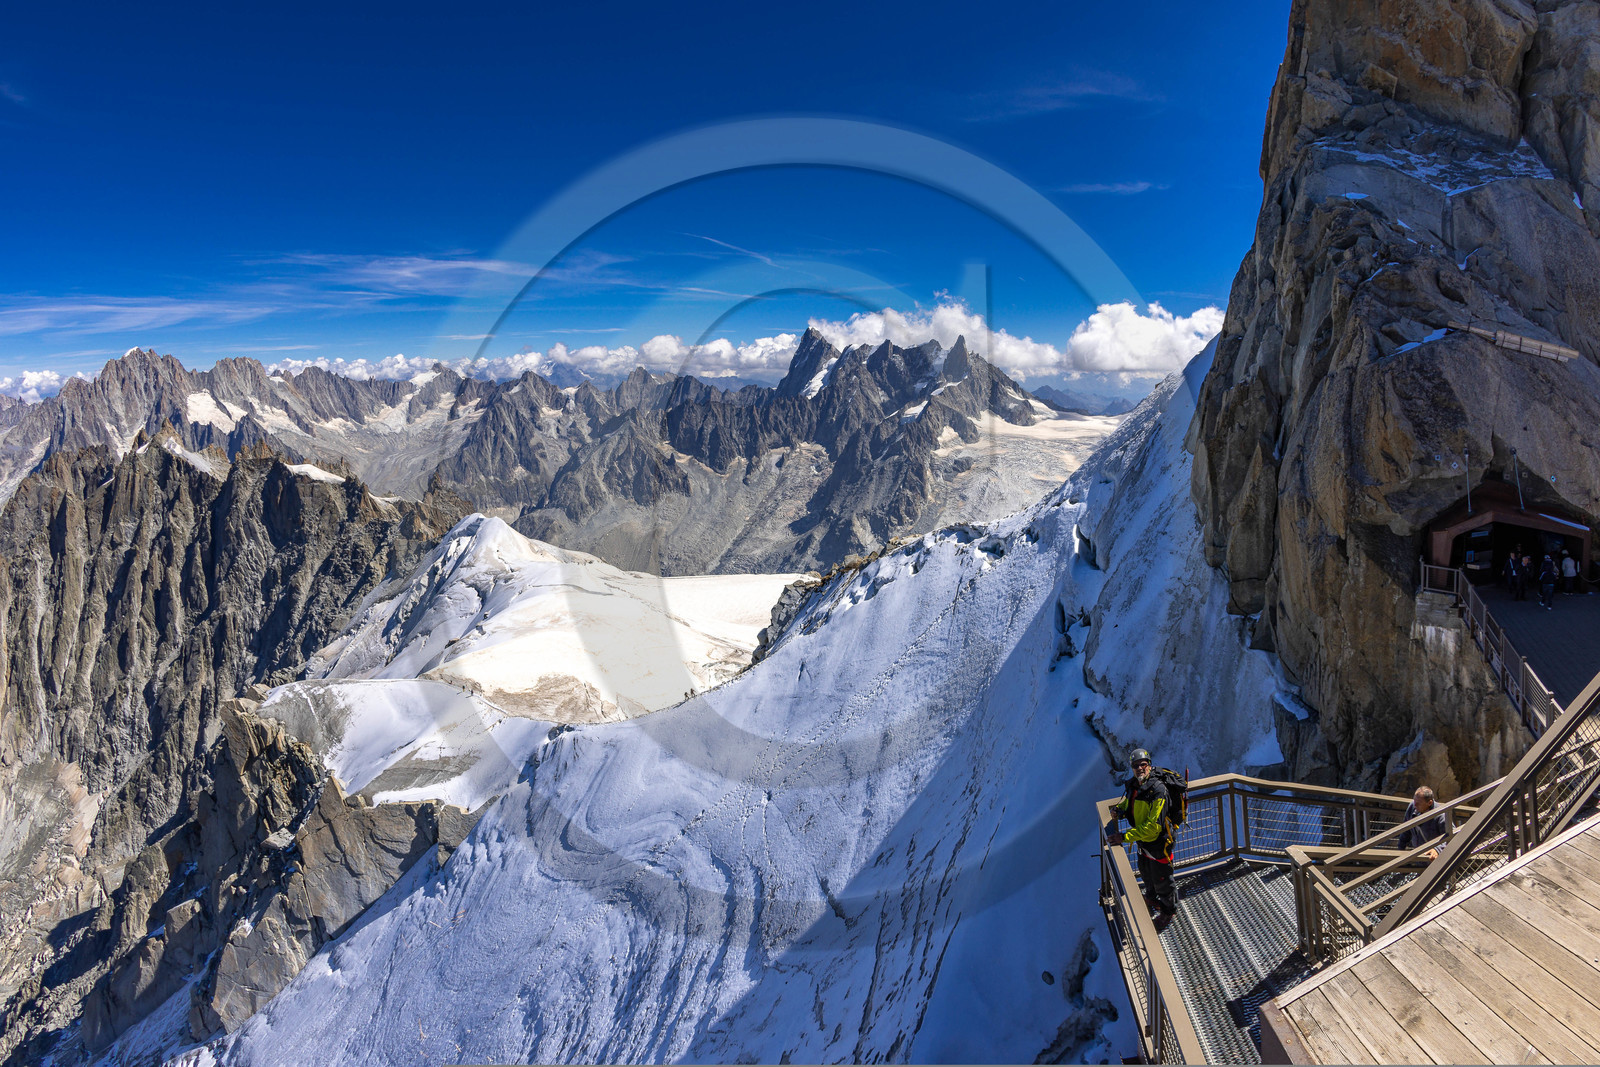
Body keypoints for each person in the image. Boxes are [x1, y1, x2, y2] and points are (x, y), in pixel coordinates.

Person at [1108, 748, 1178, 931]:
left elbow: (1153, 827)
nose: (1140, 768)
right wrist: (1120, 810)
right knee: (1147, 873)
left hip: (1159, 843)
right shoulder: (1135, 785)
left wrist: (1125, 837)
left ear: (1149, 765)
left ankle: (1168, 911)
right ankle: (1152, 899)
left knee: (1163, 880)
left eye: (1143, 765)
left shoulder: (1158, 790)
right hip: (1143, 842)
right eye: (1136, 765)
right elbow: (1130, 802)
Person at [1396, 786, 1448, 861]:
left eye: (1418, 803)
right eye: (1414, 801)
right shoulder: (1412, 806)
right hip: (1419, 855)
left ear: (1429, 803)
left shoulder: (1441, 815)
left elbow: (1451, 836)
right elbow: (1405, 831)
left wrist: (1437, 849)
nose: (1415, 805)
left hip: (1433, 859)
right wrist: (1400, 850)